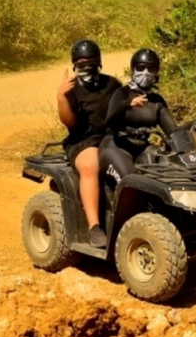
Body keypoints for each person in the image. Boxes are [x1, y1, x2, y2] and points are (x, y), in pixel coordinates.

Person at [57, 39, 121, 248]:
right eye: (82, 63)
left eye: (91, 62)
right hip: (83, 141)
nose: (87, 67)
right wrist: (61, 97)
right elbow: (69, 122)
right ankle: (94, 228)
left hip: (112, 137)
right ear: (75, 64)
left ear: (99, 62)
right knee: (91, 164)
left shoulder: (112, 84)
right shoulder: (71, 89)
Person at [100, 48, 177, 186]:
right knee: (131, 183)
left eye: (151, 68)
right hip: (116, 147)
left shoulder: (157, 101)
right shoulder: (122, 93)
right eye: (140, 68)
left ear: (156, 73)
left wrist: (194, 125)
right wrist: (128, 104)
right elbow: (110, 122)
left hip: (143, 148)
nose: (145, 73)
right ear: (133, 70)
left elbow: (172, 131)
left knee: (167, 170)